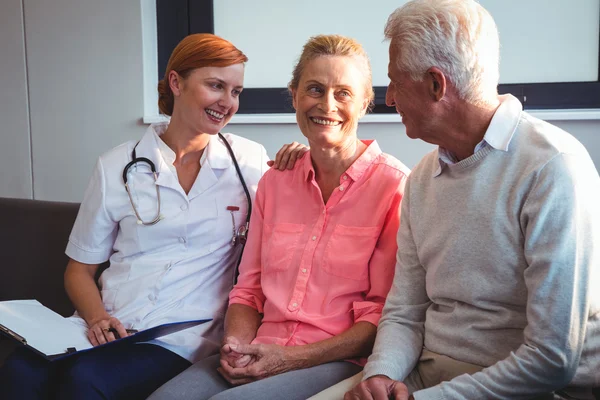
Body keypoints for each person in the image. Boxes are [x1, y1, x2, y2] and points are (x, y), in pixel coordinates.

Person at [0, 33, 307, 400]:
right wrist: (97, 318)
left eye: (236, 91)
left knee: (84, 381)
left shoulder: (250, 161)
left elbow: (306, 205)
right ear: (176, 82)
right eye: (216, 86)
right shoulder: (116, 165)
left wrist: (302, 154)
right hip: (104, 327)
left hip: (180, 338)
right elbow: (79, 271)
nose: (227, 102)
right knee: (19, 371)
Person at [328, 1, 600, 399]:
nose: (389, 100)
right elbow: (405, 310)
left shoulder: (554, 167)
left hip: (524, 386)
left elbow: (552, 359)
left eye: (396, 83)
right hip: (426, 371)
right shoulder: (422, 177)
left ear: (437, 85)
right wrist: (381, 374)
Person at [148, 34, 410, 400]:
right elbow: (249, 288)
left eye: (344, 93)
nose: (327, 105)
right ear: (295, 95)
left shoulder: (394, 186)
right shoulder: (275, 182)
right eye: (315, 89)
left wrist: (290, 358)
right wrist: (236, 344)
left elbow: (383, 313)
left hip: (335, 361)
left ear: (366, 103)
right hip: (261, 348)